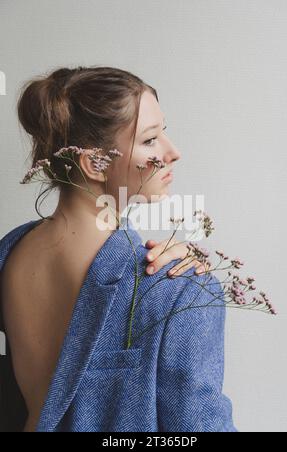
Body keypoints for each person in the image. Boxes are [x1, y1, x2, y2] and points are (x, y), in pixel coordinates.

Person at [0, 66, 237, 432]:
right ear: (95, 163)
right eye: (150, 140)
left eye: (163, 134)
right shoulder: (179, 288)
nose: (173, 153)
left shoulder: (10, 253)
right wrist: (184, 288)